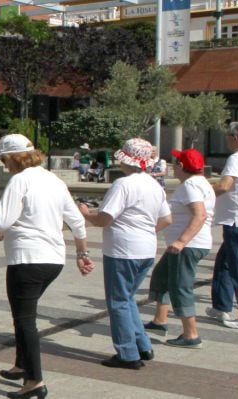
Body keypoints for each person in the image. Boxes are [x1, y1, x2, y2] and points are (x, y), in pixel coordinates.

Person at [0, 134, 94, 399]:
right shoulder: (54, 179)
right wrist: (82, 253)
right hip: (53, 260)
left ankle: (34, 381)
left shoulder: (19, 181)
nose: (4, 165)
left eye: (4, 159)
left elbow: (1, 222)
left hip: (27, 259)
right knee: (22, 313)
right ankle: (21, 364)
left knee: (25, 319)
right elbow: (77, 221)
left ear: (15, 158)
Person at [79, 138, 172, 370]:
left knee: (118, 301)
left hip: (123, 249)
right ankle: (143, 344)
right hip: (146, 247)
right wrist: (146, 231)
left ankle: (127, 352)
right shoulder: (154, 184)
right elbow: (167, 218)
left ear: (125, 160)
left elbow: (104, 218)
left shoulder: (123, 184)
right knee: (128, 298)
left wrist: (85, 214)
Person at [144, 148, 214, 348]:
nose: (173, 167)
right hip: (185, 245)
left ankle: (191, 334)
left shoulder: (191, 185)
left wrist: (182, 241)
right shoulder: (200, 182)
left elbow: (199, 214)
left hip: (187, 246)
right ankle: (160, 321)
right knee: (161, 276)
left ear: (181, 166)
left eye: (175, 163)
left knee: (180, 287)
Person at [207, 121, 238, 329]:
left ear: (236, 138)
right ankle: (221, 305)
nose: (225, 139)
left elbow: (224, 186)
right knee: (224, 264)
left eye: (227, 135)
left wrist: (201, 189)